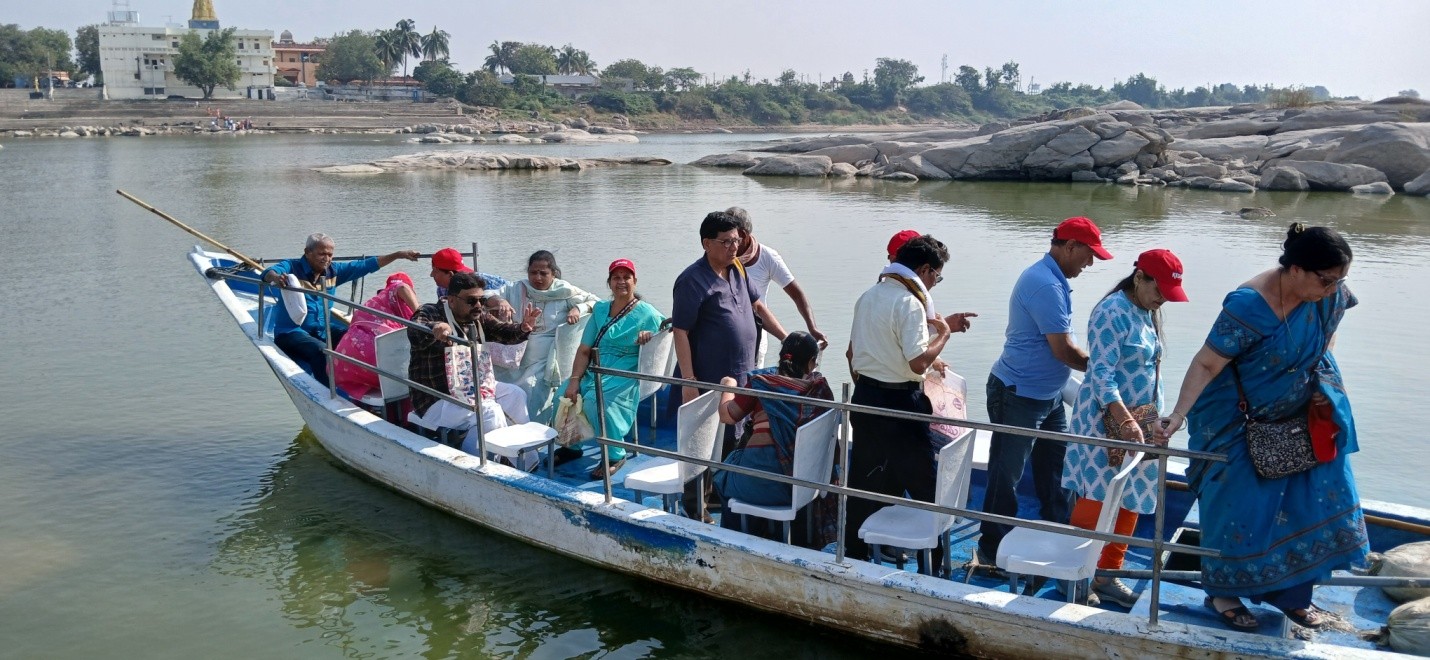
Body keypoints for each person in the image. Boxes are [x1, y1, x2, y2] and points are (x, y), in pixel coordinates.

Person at [1157, 224, 1366, 632]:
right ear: (1296, 269)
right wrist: (1178, 415)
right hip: (1234, 417)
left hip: (1298, 411)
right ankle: (1223, 592)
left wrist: (1320, 384)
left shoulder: (1329, 295)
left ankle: (1293, 597)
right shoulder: (1250, 305)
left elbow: (1327, 336)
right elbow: (1207, 363)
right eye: (1326, 280)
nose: (1333, 289)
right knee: (1236, 502)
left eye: (1339, 280)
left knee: (1315, 493)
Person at [978, 216, 1112, 566]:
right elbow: (1063, 351)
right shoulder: (1045, 284)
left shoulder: (1055, 280)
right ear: (1070, 246)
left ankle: (1057, 537)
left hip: (1049, 396)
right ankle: (991, 550)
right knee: (1006, 475)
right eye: (1088, 254)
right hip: (1017, 394)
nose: (1090, 263)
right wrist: (1106, 371)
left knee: (1058, 470)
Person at [1060, 249, 1188, 608]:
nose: (1163, 299)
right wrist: (1125, 420)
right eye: (1159, 289)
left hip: (1141, 423)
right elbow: (1101, 373)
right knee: (1096, 498)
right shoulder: (1111, 312)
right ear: (1139, 277)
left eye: (1168, 293)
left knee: (1133, 496)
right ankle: (1075, 576)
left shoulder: (1147, 311)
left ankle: (1107, 576)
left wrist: (1155, 420)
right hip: (1106, 423)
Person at [843, 235, 974, 572]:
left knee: (863, 480)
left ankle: (853, 554)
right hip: (900, 401)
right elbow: (917, 363)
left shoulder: (868, 296)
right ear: (925, 269)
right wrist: (943, 335)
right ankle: (933, 564)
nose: (934, 284)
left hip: (866, 398)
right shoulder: (910, 303)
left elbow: (855, 353)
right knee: (926, 484)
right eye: (936, 277)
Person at [407, 272, 542, 455]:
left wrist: (523, 328)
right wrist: (436, 328)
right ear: (451, 300)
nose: (478, 305)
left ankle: (522, 456)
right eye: (471, 301)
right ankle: (475, 460)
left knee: (516, 395)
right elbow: (415, 330)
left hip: (470, 387)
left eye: (481, 300)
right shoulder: (431, 311)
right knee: (490, 412)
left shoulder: (478, 317)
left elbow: (503, 331)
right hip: (436, 397)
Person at [261, 233, 419, 386]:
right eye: (322, 254)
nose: (326, 259)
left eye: (330, 254)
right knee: (322, 351)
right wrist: (276, 278)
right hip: (291, 331)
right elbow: (268, 272)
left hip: (323, 329)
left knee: (358, 340)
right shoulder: (291, 267)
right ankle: (329, 392)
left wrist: (397, 255)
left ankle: (366, 382)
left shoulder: (333, 272)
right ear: (307, 252)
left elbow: (365, 265)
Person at [561, 259, 667, 479]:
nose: (621, 282)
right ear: (609, 282)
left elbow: (666, 335)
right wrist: (574, 379)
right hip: (595, 368)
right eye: (616, 277)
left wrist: (649, 337)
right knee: (563, 396)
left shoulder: (648, 314)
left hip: (624, 373)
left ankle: (615, 454)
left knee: (595, 402)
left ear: (635, 281)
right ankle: (571, 446)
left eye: (626, 277)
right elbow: (584, 350)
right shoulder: (600, 310)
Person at [713, 332, 833, 519]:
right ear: (811, 362)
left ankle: (741, 530)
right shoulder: (819, 391)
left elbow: (727, 416)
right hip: (801, 488)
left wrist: (728, 386)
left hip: (756, 485)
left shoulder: (761, 384)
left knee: (722, 475)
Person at [496, 250, 599, 423]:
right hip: (515, 353)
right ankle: (506, 427)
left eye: (543, 273)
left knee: (533, 389)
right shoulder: (517, 288)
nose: (537, 278)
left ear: (553, 273)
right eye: (533, 273)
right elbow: (486, 294)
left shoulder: (564, 291)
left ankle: (535, 429)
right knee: (501, 385)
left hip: (546, 359)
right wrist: (500, 301)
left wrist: (578, 308)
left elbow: (597, 302)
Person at [725, 207, 828, 365]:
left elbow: (796, 295)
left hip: (755, 337)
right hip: (723, 334)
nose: (727, 243)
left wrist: (812, 328)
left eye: (730, 238)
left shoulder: (767, 257)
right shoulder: (720, 257)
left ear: (743, 235)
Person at [332, 272, 420, 399]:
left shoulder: (373, 304)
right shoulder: (396, 289)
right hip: (378, 360)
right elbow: (402, 287)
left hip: (345, 364)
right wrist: (421, 314)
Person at [429, 247, 507, 299]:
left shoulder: (485, 281)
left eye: (435, 271)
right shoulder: (442, 289)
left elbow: (509, 290)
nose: (431, 275)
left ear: (450, 274)